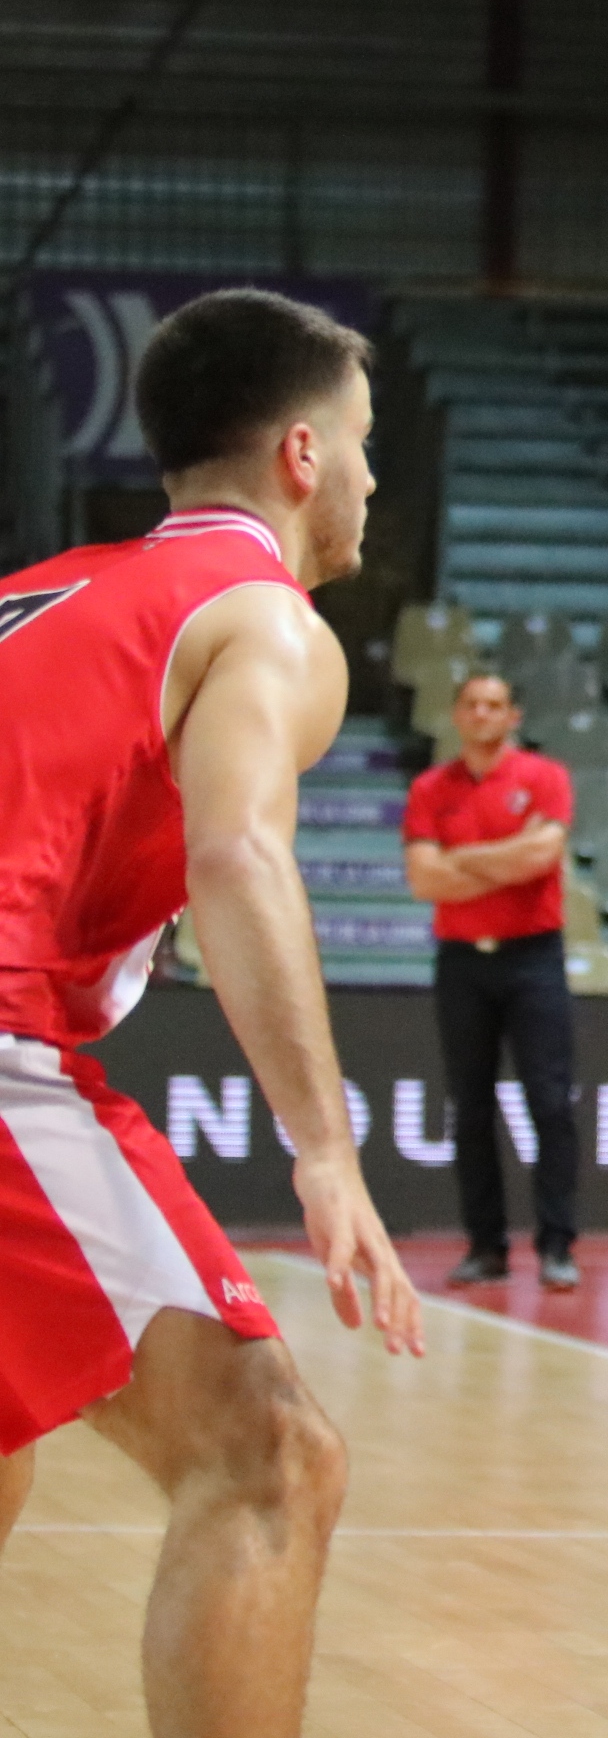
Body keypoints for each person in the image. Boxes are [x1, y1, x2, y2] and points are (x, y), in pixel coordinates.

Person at [0, 288, 425, 1738]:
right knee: (270, 1452)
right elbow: (239, 853)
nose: (379, 479)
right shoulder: (265, 619)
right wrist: (323, 1146)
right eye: (368, 445)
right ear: (304, 456)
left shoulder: (35, 592)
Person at [402, 670, 580, 1291]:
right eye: (472, 704)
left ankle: (557, 1246)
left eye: (495, 705)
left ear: (513, 717)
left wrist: (463, 862)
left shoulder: (546, 778)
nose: (482, 713)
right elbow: (424, 880)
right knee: (470, 1107)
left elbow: (543, 857)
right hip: (461, 961)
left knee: (550, 1102)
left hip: (533, 956)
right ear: (455, 715)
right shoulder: (431, 787)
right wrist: (506, 857)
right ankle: (486, 1247)